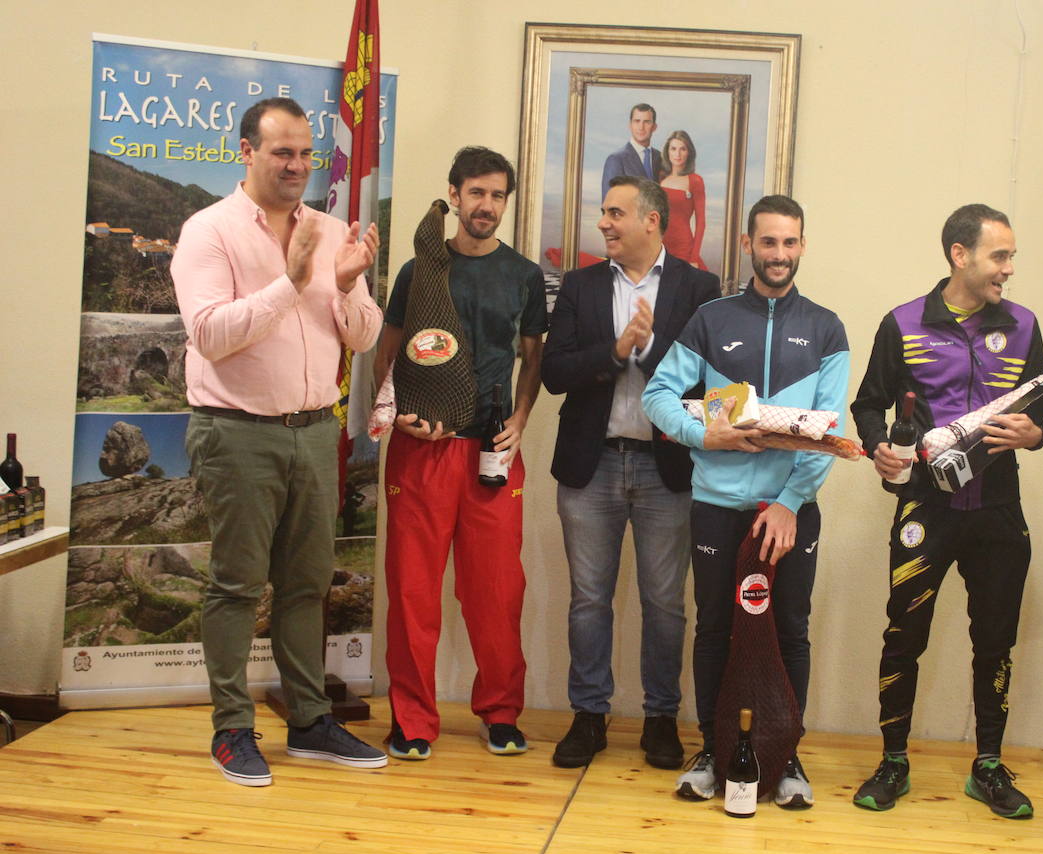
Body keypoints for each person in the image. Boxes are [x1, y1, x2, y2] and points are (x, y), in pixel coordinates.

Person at [171, 97, 387, 787]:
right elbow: (209, 334)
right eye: (281, 152)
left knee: (304, 587)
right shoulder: (208, 232)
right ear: (247, 152)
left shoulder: (327, 231)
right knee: (236, 587)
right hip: (236, 431)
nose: (296, 166)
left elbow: (362, 336)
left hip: (314, 430)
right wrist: (290, 284)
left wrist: (346, 286)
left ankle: (309, 721)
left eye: (305, 154)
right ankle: (232, 729)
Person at [643, 194, 849, 808]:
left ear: (803, 245)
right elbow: (658, 395)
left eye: (790, 243)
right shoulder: (712, 318)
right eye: (768, 242)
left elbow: (826, 428)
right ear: (747, 244)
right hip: (716, 506)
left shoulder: (826, 326)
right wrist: (703, 433)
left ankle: (786, 758)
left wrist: (789, 502)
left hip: (789, 512)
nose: (779, 254)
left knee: (789, 630)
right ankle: (713, 748)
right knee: (715, 627)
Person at [849, 203, 1043, 818]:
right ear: (960, 256)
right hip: (925, 509)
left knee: (996, 642)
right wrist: (879, 449)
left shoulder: (1023, 325)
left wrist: (1032, 437)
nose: (1009, 269)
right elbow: (868, 405)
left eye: (1011, 256)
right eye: (1000, 256)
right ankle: (893, 761)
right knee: (903, 635)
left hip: (997, 510)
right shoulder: (903, 323)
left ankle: (988, 766)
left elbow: (1040, 416)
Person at [542, 176, 721, 770]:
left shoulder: (700, 288)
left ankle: (661, 719)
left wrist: (648, 350)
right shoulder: (581, 284)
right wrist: (615, 352)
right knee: (589, 600)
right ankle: (589, 716)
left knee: (665, 603)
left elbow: (709, 380)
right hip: (591, 466)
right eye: (602, 212)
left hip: (666, 468)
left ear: (652, 221)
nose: (604, 223)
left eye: (615, 213)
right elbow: (556, 371)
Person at [374, 146, 547, 761]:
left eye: (498, 195)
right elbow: (387, 355)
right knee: (414, 592)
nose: (487, 206)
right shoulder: (421, 269)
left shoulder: (524, 275)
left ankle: (499, 713)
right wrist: (396, 413)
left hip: (491, 452)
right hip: (423, 451)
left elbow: (534, 356)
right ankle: (413, 722)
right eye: (476, 193)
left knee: (497, 593)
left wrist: (522, 418)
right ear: (454, 195)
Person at [658, 130, 708, 270]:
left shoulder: (695, 181)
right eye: (673, 149)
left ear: (689, 152)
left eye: (682, 149)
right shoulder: (661, 178)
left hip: (683, 247)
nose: (677, 154)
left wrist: (693, 257)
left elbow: (701, 222)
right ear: (667, 152)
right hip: (659, 245)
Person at [602, 103, 662, 200]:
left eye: (647, 122)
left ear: (654, 127)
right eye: (637, 121)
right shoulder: (616, 159)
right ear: (630, 125)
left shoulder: (661, 158)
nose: (641, 127)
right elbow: (609, 204)